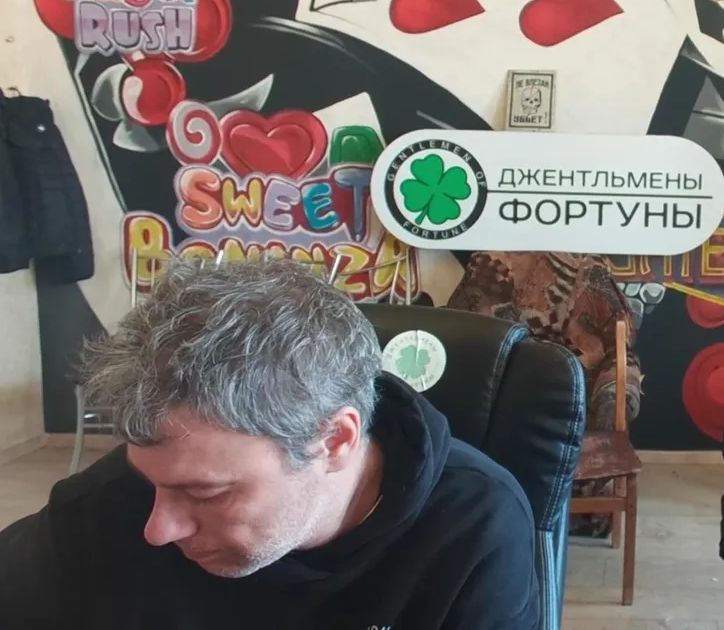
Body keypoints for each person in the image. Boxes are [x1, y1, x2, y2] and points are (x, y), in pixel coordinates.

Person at [0, 258, 540, 630]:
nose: (158, 529)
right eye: (149, 481)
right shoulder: (105, 507)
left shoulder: (473, 525)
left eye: (206, 493)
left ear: (335, 439)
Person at [446, 250, 642, 538]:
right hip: (495, 405)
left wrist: (614, 397)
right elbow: (454, 340)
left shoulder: (589, 279)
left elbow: (619, 355)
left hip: (564, 409)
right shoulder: (490, 273)